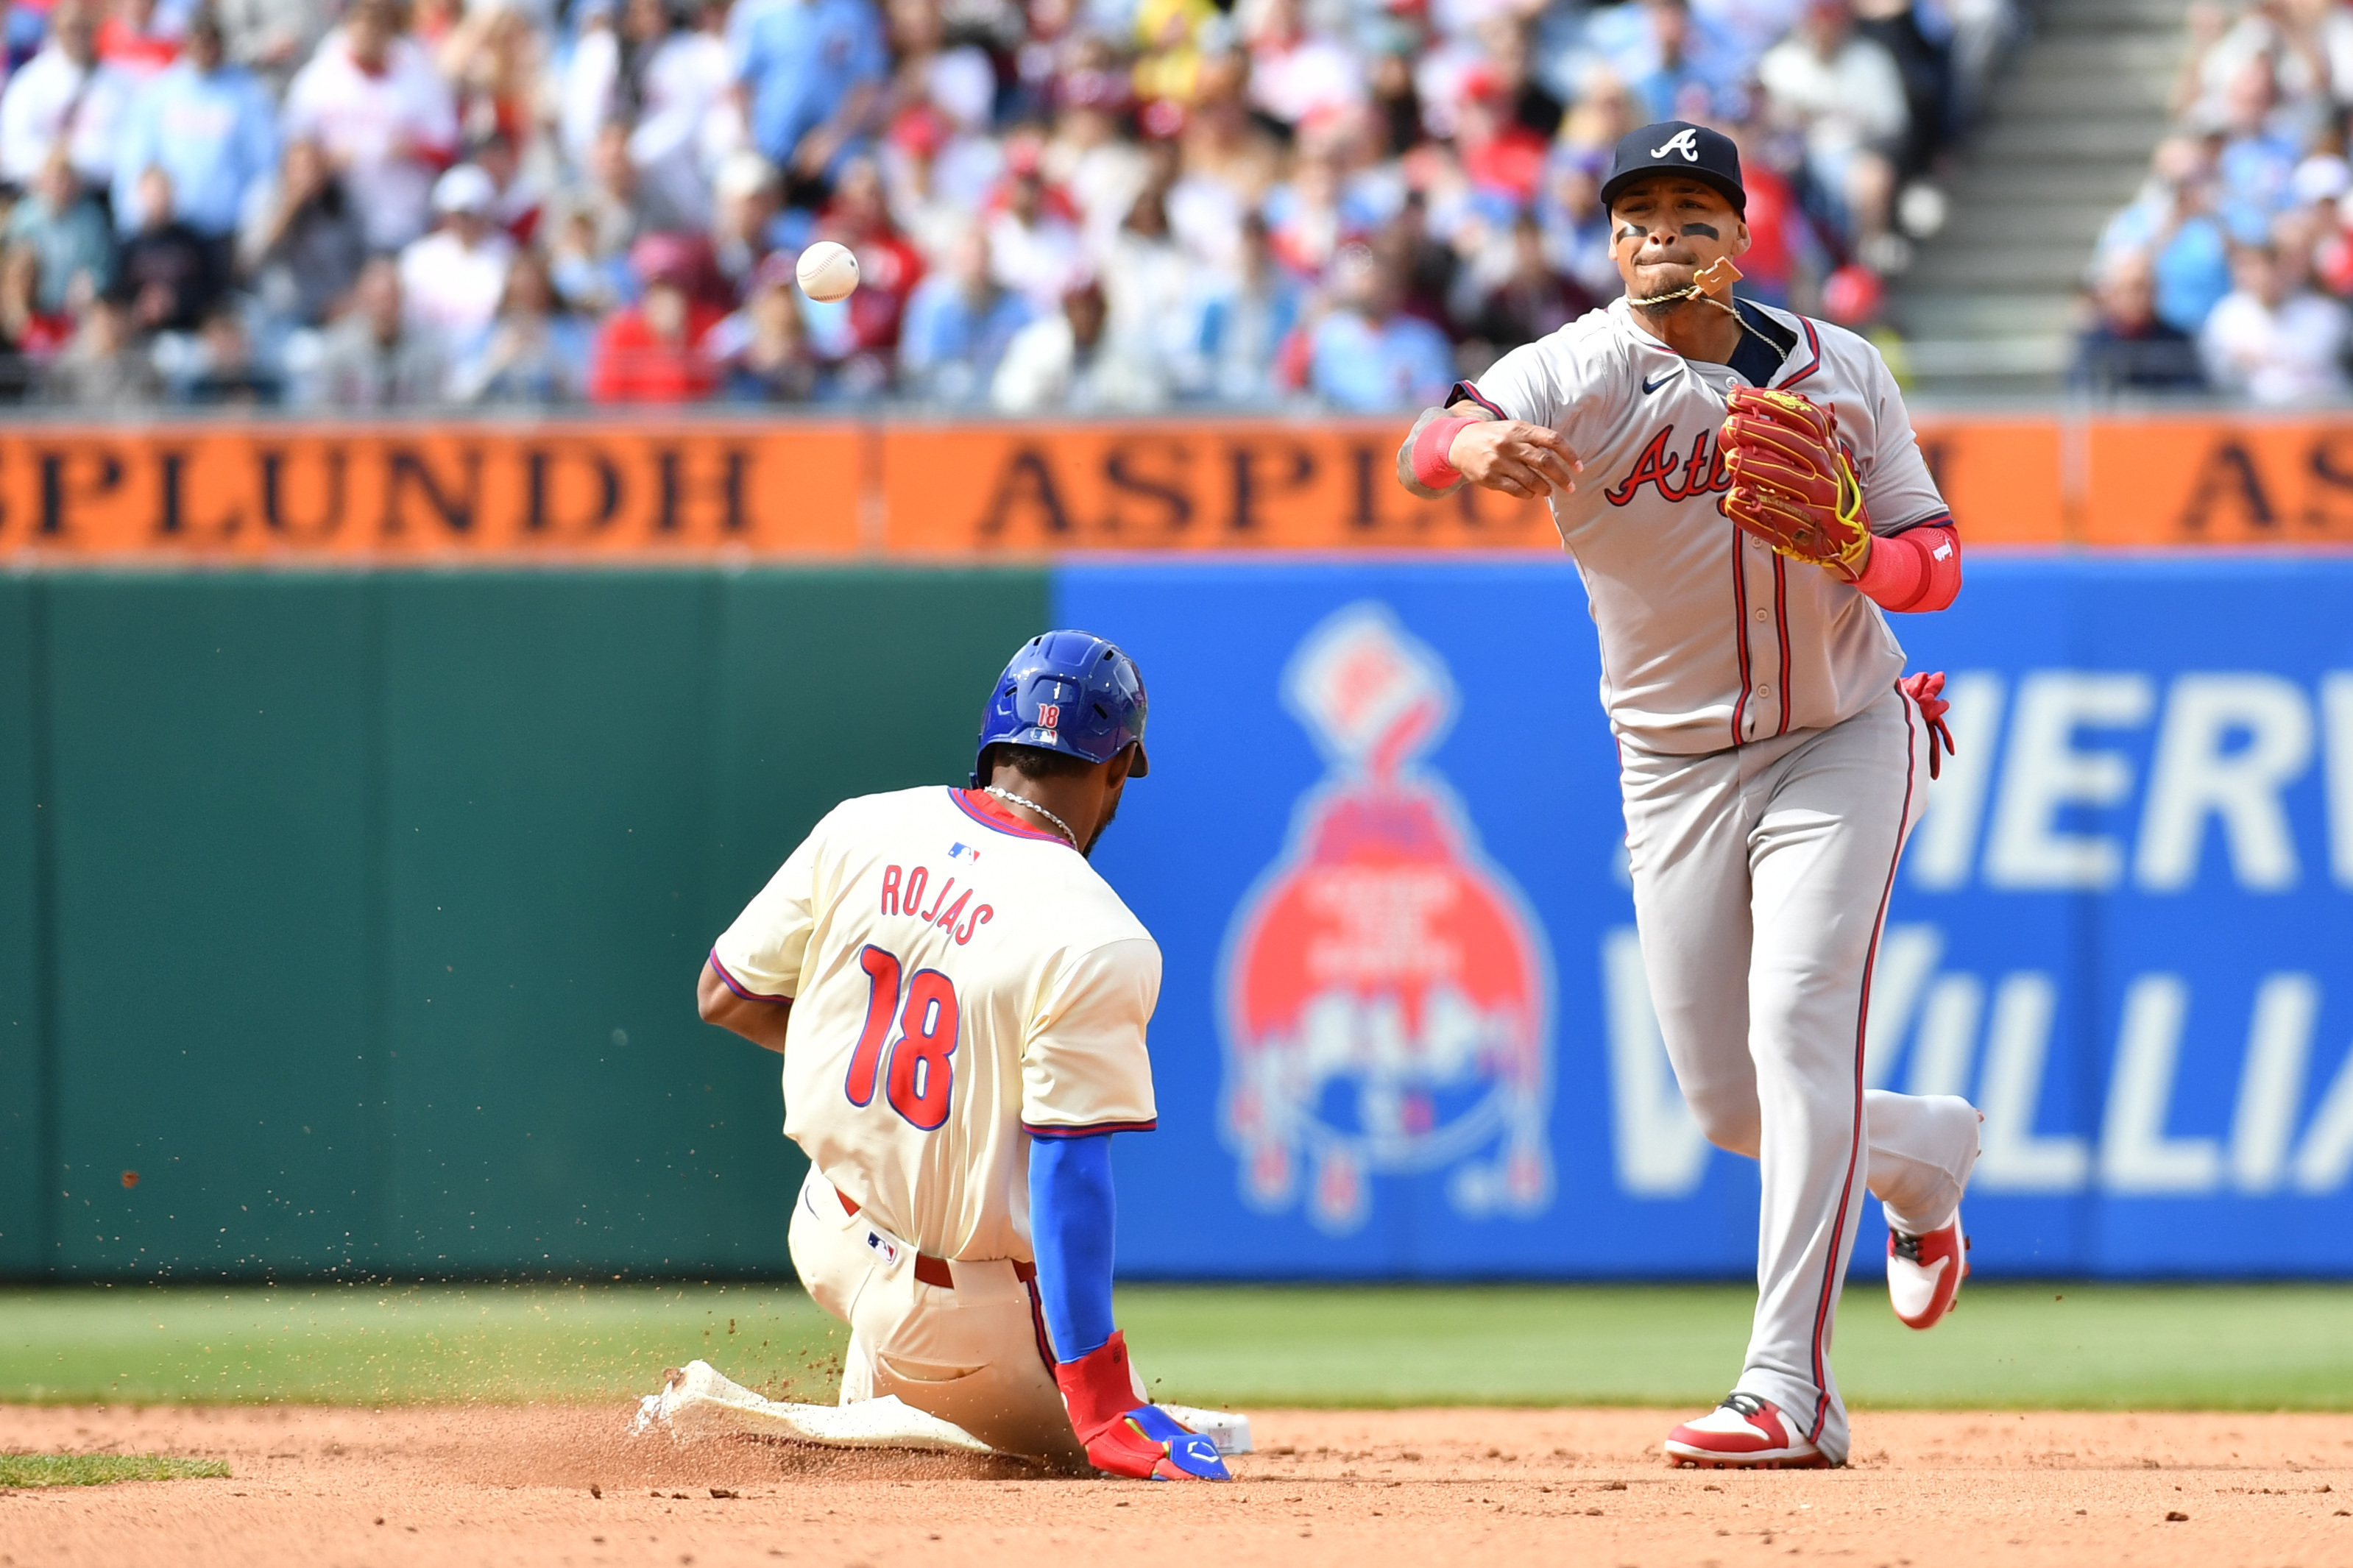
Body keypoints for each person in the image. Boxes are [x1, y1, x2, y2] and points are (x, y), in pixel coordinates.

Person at [1395, 121, 1980, 1471]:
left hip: (1842, 733)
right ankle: (1922, 1157)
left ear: (1738, 237)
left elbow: (1936, 562)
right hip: (1667, 767)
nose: (1663, 231)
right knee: (1727, 1107)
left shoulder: (1842, 371)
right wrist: (1466, 454)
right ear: (1611, 243)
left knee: (1797, 1022)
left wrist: (1858, 550)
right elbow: (1434, 432)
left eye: (1693, 211)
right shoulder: (1582, 364)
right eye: (1638, 213)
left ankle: (1791, 1388)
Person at [692, 631, 1228, 1481]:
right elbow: (1070, 1178)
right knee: (1194, 1460)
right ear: (1120, 765)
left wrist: (856, 1061)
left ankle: (877, 1405)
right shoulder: (1099, 935)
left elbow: (725, 995)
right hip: (956, 1316)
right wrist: (1099, 1401)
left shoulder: (859, 825)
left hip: (825, 1228)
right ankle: (845, 1425)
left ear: (993, 739)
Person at [280, 0, 461, 252]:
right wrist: (322, 161)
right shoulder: (320, 77)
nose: (369, 32)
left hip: (404, 219)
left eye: (378, 24)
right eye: (362, 22)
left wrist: (414, 148)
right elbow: (291, 150)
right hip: (337, 220)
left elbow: (448, 148)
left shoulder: (417, 72)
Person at [110, 10, 280, 245]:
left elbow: (265, 166)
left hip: (225, 232)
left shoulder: (248, 94)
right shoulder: (159, 92)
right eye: (197, 39)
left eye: (210, 40)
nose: (204, 47)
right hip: (168, 231)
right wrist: (133, 216)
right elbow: (134, 160)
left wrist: (252, 224)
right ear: (185, 43)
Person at [398, 165, 518, 347]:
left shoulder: (507, 254)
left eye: (472, 213)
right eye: (460, 214)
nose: (466, 222)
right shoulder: (419, 257)